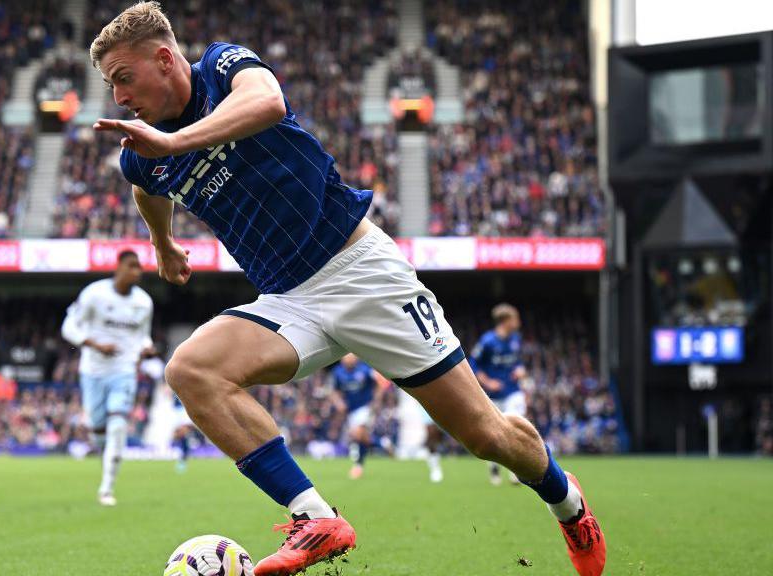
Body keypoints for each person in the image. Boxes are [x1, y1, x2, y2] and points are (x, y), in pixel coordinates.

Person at [89, 4, 605, 574]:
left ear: (164, 59)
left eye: (122, 78)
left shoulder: (221, 66)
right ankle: (315, 518)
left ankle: (567, 502)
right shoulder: (141, 151)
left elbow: (267, 103)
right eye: (110, 85)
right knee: (191, 370)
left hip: (361, 271)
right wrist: (161, 243)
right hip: (290, 301)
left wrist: (177, 143)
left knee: (487, 435)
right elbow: (144, 186)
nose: (117, 98)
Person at [62, 250, 154, 506]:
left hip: (124, 370)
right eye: (131, 266)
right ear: (118, 267)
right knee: (99, 428)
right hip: (92, 370)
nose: (137, 271)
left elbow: (142, 335)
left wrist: (146, 347)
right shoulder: (94, 294)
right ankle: (107, 457)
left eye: (139, 267)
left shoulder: (144, 302)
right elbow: (69, 327)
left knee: (117, 424)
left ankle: (106, 488)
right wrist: (93, 344)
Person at [470, 303, 528, 486]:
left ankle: (516, 471)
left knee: (516, 426)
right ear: (505, 321)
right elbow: (473, 364)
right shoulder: (487, 341)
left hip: (513, 391)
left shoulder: (516, 339)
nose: (518, 322)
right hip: (493, 394)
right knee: (496, 434)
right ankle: (494, 466)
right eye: (515, 318)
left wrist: (520, 370)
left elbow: (518, 362)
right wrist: (488, 382)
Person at [328, 354, 380, 479]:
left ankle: (358, 465)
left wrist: (376, 401)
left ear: (356, 358)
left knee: (357, 433)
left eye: (350, 357)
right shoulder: (338, 372)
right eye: (345, 357)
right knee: (363, 438)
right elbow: (333, 391)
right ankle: (382, 443)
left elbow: (378, 384)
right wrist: (338, 402)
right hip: (351, 410)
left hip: (365, 406)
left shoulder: (365, 369)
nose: (348, 359)